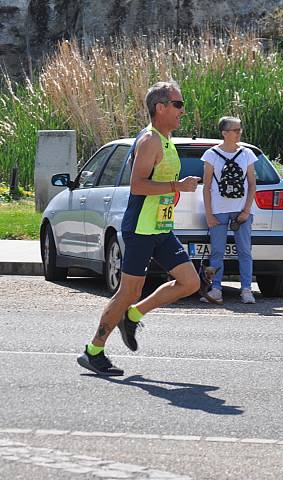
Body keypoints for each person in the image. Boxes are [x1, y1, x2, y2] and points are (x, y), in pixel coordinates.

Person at [77, 81, 201, 376]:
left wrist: (174, 192)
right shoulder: (150, 141)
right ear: (160, 107)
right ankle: (93, 350)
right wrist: (176, 186)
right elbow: (137, 185)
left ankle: (133, 315)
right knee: (127, 291)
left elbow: (156, 185)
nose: (183, 111)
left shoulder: (165, 140)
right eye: (178, 104)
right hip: (141, 229)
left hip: (160, 227)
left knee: (190, 282)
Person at [201, 116, 257, 305]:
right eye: (235, 130)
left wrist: (246, 210)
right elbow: (206, 186)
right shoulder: (210, 155)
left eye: (240, 129)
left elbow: (252, 184)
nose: (239, 132)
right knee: (217, 252)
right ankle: (216, 289)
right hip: (218, 210)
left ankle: (246, 289)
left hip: (241, 210)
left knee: (244, 251)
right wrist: (209, 214)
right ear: (224, 133)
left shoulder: (247, 154)